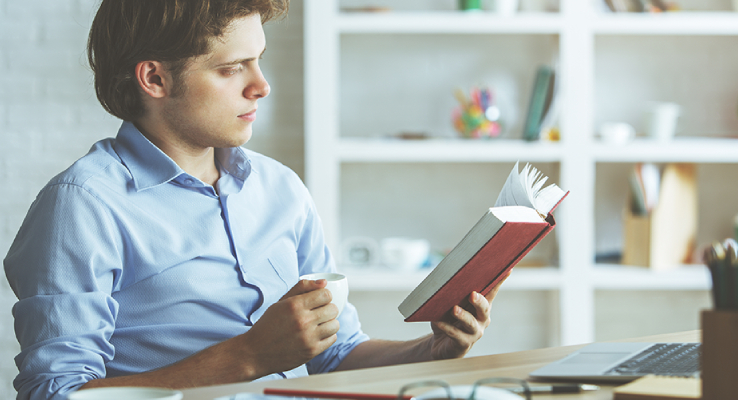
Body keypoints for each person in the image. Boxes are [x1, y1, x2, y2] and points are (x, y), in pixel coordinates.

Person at [3, 1, 505, 399]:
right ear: (154, 78)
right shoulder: (82, 206)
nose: (261, 86)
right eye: (231, 69)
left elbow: (335, 355)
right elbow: (55, 393)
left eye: (258, 61)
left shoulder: (280, 189)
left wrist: (435, 348)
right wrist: (246, 357)